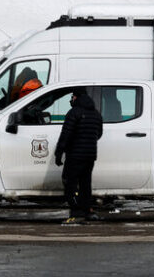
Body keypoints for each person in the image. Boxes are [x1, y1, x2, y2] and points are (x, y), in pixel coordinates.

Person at [55, 87, 103, 224]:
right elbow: (98, 134)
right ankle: (87, 210)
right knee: (85, 184)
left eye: (72, 96)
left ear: (76, 97)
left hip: (75, 155)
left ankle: (76, 212)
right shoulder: (96, 113)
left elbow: (66, 134)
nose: (71, 99)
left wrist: (59, 153)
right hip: (90, 155)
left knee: (70, 183)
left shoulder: (74, 112)